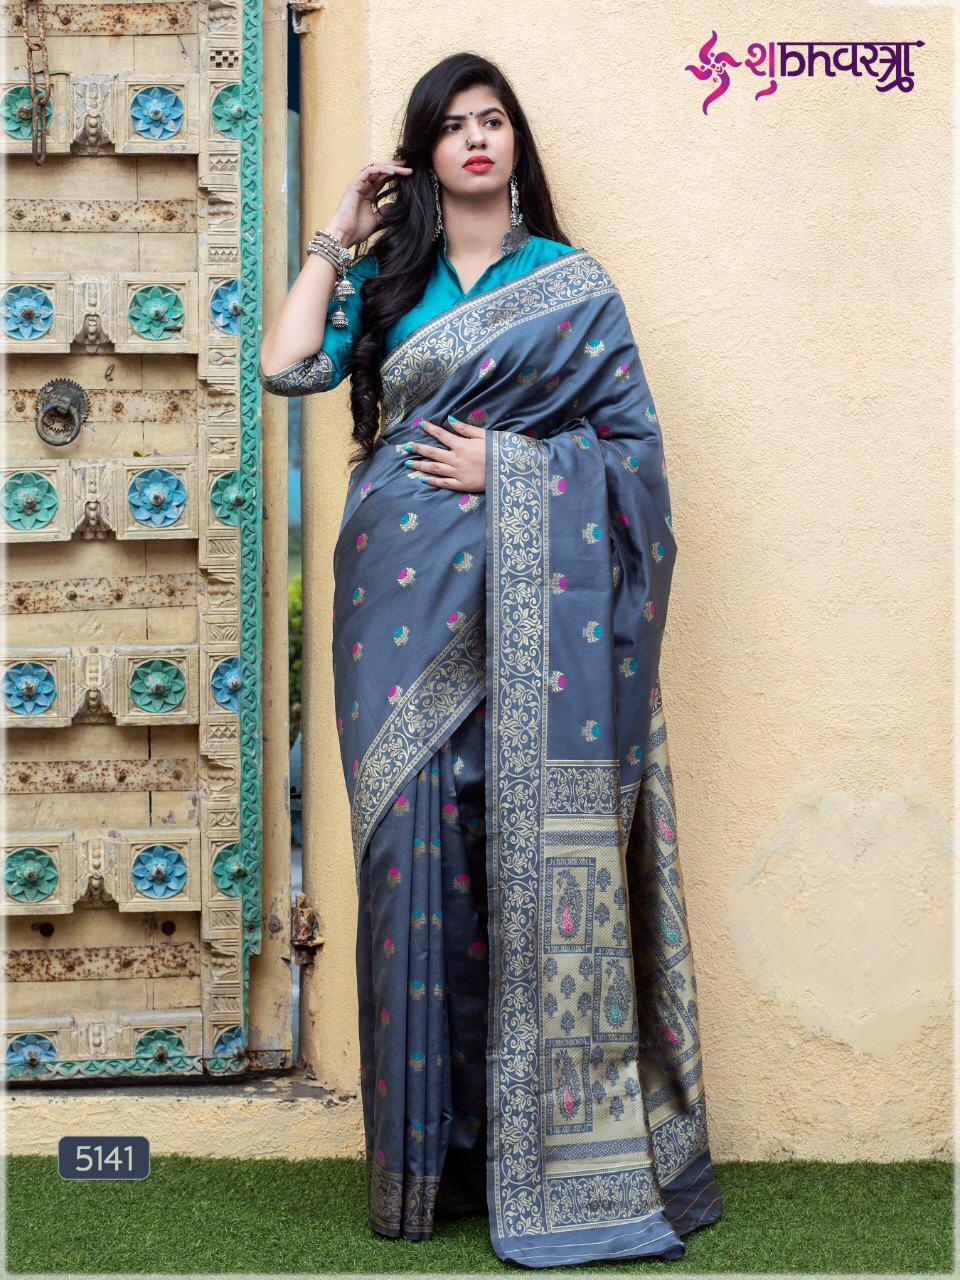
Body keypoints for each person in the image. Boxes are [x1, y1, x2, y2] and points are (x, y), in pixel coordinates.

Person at [259, 50, 723, 1270]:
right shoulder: (390, 281)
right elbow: (286, 364)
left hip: (537, 606)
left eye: (493, 120)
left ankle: (542, 1146)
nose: (476, 139)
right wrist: (339, 234)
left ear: (515, 142)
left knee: (514, 841)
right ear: (424, 151)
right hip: (396, 604)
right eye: (452, 125)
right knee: (413, 853)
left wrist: (507, 466)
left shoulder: (572, 286)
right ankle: (435, 1161)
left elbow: (637, 465)